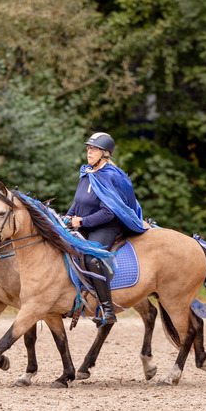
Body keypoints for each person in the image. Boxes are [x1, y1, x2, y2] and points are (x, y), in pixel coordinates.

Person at [63, 132, 148, 328]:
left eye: (94, 149)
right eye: (88, 148)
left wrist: (81, 222)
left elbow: (108, 213)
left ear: (106, 153)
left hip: (106, 226)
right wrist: (68, 216)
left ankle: (107, 309)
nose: (89, 152)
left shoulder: (111, 175)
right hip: (84, 223)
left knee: (92, 258)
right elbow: (79, 202)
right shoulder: (87, 172)